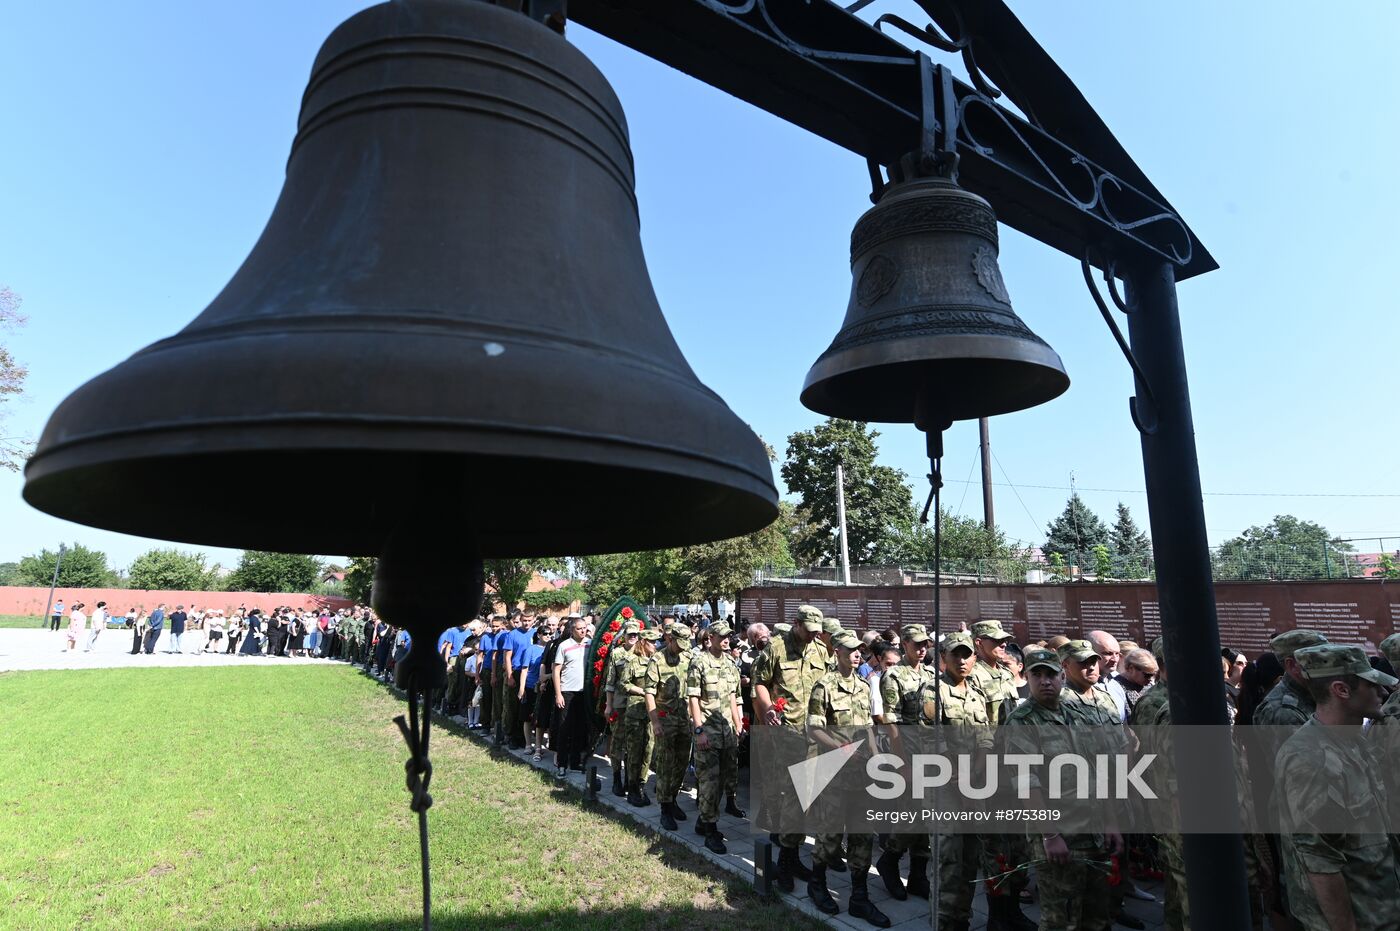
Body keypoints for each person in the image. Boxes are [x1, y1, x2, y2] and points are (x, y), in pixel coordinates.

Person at [1276, 644, 1400, 930]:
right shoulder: (1312, 759)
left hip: (1381, 906)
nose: (1382, 693)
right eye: (1372, 685)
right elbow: (1321, 862)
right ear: (1341, 690)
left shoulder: (1353, 741)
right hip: (1359, 916)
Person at [1004, 647, 1124, 931]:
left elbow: (1100, 771)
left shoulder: (1079, 714)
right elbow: (1026, 784)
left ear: (1061, 676)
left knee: (1097, 916)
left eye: (1051, 675)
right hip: (1061, 837)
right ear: (1027, 678)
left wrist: (1110, 821)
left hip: (1094, 833)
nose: (1045, 681)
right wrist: (1051, 835)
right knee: (1061, 920)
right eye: (1037, 675)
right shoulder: (1021, 722)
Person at [805, 630, 891, 928]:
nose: (858, 654)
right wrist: (842, 750)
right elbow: (814, 728)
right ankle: (816, 884)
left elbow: (868, 726)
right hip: (834, 772)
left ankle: (859, 898)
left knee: (862, 835)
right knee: (829, 835)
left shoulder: (864, 686)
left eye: (860, 651)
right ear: (837, 651)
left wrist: (874, 753)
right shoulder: (824, 686)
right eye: (852, 650)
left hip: (861, 774)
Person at [752, 605, 827, 892]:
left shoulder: (820, 651)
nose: (812, 635)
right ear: (796, 624)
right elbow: (760, 683)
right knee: (791, 797)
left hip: (814, 736)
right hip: (787, 734)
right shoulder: (776, 649)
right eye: (808, 630)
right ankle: (784, 861)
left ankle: (793, 856)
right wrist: (769, 707)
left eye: (816, 631)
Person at [688, 620, 744, 853]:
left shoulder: (731, 663)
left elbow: (733, 696)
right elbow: (693, 698)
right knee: (709, 782)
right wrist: (699, 730)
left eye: (728, 636)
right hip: (708, 733)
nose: (725, 640)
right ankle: (710, 830)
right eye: (721, 636)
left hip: (727, 732)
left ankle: (704, 820)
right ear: (710, 637)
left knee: (723, 781)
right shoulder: (699, 662)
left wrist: (739, 724)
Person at [646, 622, 694, 830]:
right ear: (669, 639)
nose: (683, 647)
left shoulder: (689, 657)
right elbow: (649, 692)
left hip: (685, 719)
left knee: (682, 762)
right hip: (665, 719)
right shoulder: (657, 659)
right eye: (679, 643)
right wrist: (655, 721)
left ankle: (673, 798)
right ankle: (665, 807)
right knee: (665, 764)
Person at [621, 627, 661, 804]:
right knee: (635, 751)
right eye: (651, 642)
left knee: (648, 750)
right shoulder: (632, 661)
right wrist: (644, 692)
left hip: (651, 714)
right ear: (643, 642)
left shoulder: (657, 661)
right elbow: (624, 683)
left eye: (655, 642)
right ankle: (632, 787)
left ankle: (641, 784)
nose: (655, 645)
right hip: (636, 712)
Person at [551, 615, 589, 777]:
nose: (583, 631)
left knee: (580, 729)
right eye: (579, 628)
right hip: (567, 691)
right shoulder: (564, 646)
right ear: (572, 630)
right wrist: (558, 693)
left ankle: (575, 762)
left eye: (585, 627)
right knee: (565, 728)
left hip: (583, 693)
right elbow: (556, 670)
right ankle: (561, 763)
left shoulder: (590, 644)